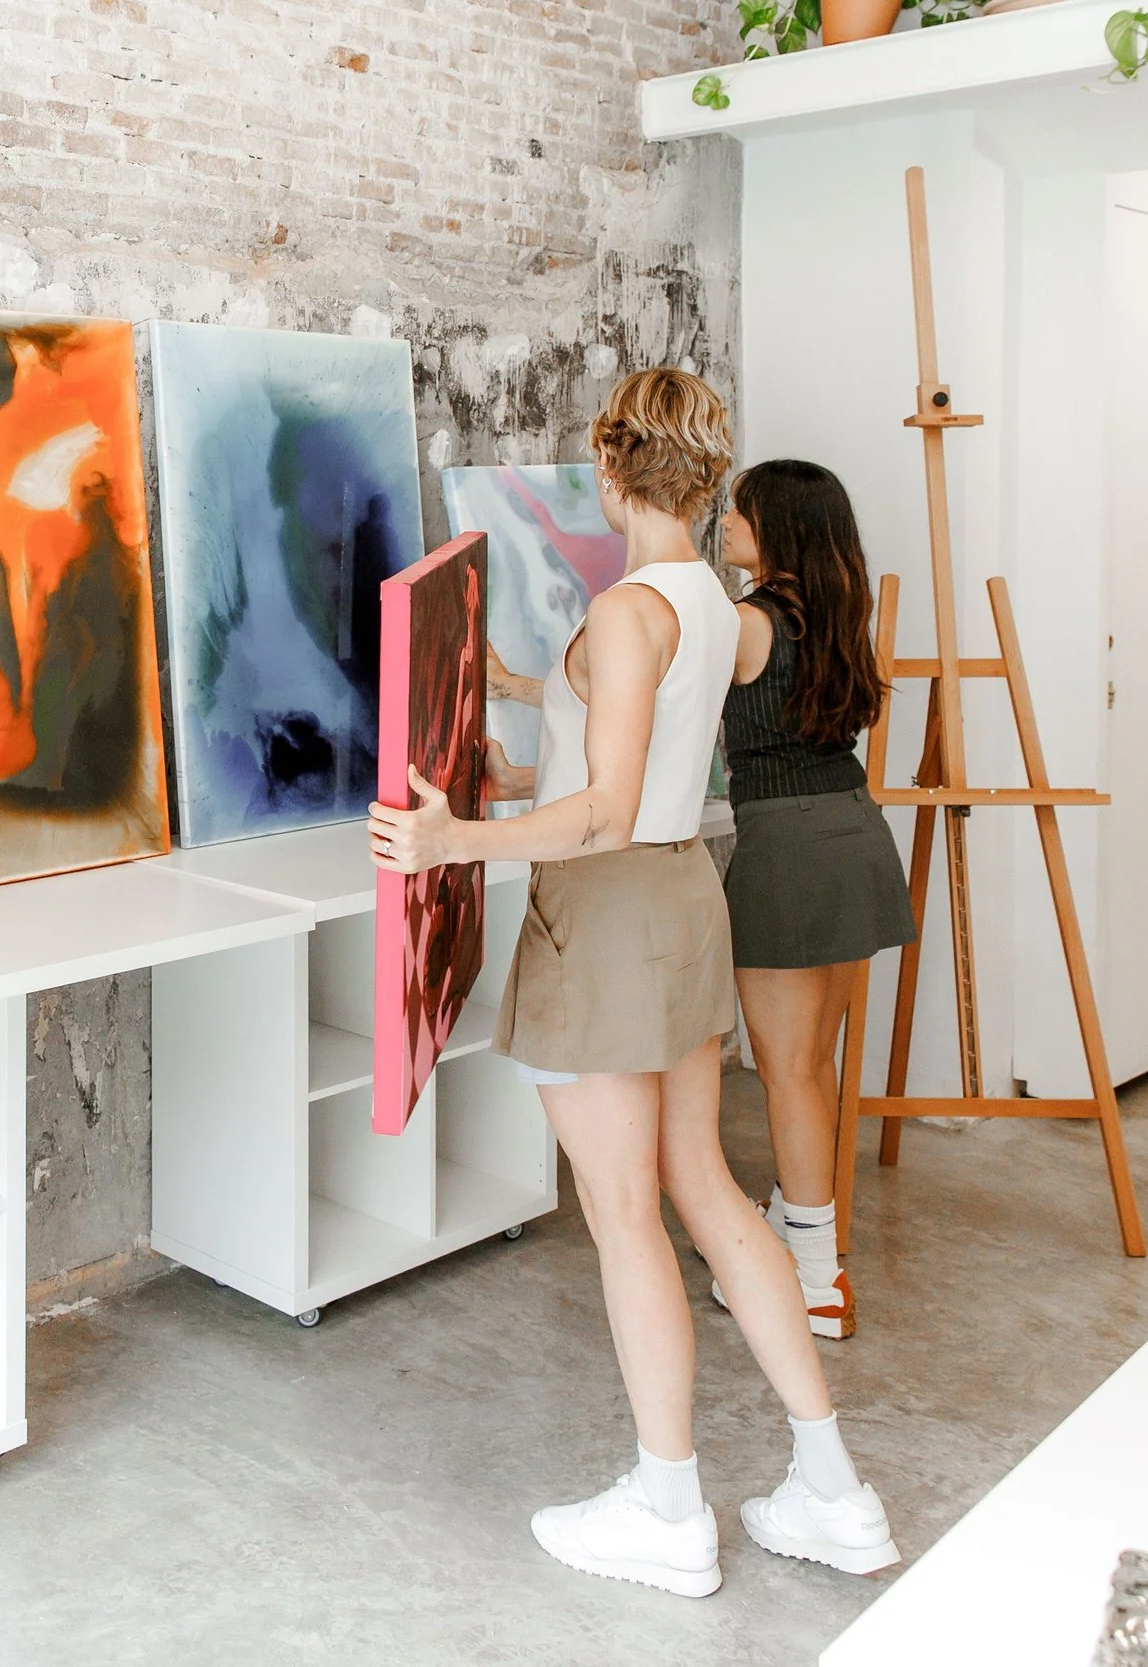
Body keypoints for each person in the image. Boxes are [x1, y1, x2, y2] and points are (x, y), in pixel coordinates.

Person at [370, 369, 899, 1597]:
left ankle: (669, 1506)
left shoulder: (623, 612)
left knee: (624, 1216)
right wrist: (512, 763)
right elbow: (634, 761)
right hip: (682, 899)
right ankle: (833, 1491)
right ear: (705, 479)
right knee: (707, 1189)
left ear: (609, 473)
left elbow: (601, 813)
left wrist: (452, 841)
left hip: (608, 913)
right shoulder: (713, 599)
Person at [714, 460, 918, 1340]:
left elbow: (640, 695)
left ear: (779, 529)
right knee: (816, 1065)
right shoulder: (835, 613)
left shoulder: (745, 621)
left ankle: (814, 1279)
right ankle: (806, 1239)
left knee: (789, 1072)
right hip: (853, 836)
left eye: (739, 514)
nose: (723, 524)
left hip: (790, 852)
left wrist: (524, 686)